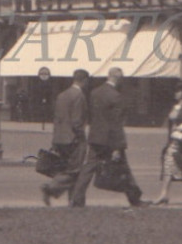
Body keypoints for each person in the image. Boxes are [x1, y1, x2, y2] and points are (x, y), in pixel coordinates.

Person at [70, 67, 145, 208]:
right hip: (110, 140)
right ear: (118, 78)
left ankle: (77, 199)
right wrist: (118, 147)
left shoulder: (94, 93)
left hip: (95, 137)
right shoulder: (116, 96)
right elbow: (116, 123)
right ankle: (135, 199)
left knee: (88, 168)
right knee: (124, 169)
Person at [40, 69, 89, 205]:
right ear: (84, 80)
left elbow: (57, 118)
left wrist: (55, 139)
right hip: (73, 139)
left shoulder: (62, 95)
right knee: (75, 170)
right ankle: (51, 188)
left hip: (60, 138)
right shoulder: (79, 96)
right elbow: (77, 121)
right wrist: (82, 137)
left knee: (69, 169)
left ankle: (74, 201)